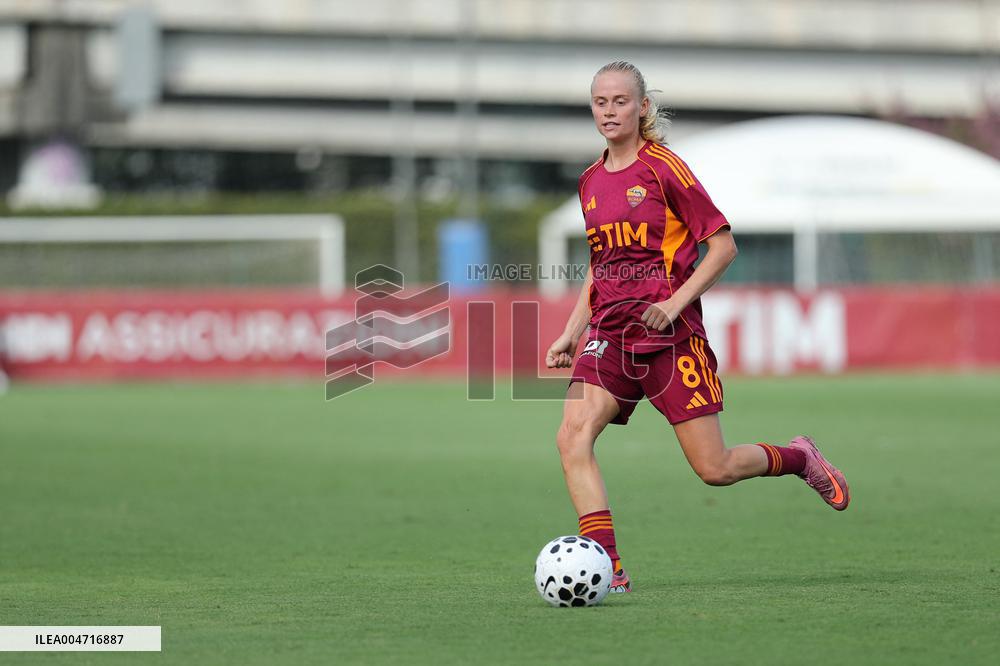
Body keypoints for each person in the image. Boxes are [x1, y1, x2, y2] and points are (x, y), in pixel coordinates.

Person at [545, 61, 849, 594]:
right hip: (610, 337)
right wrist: (573, 328)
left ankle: (799, 456)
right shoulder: (590, 181)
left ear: (642, 108)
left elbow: (723, 246)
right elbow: (601, 264)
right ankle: (608, 567)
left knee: (716, 468)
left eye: (620, 101)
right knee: (571, 437)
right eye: (600, 102)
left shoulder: (665, 170)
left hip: (670, 338)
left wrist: (674, 303)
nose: (610, 111)